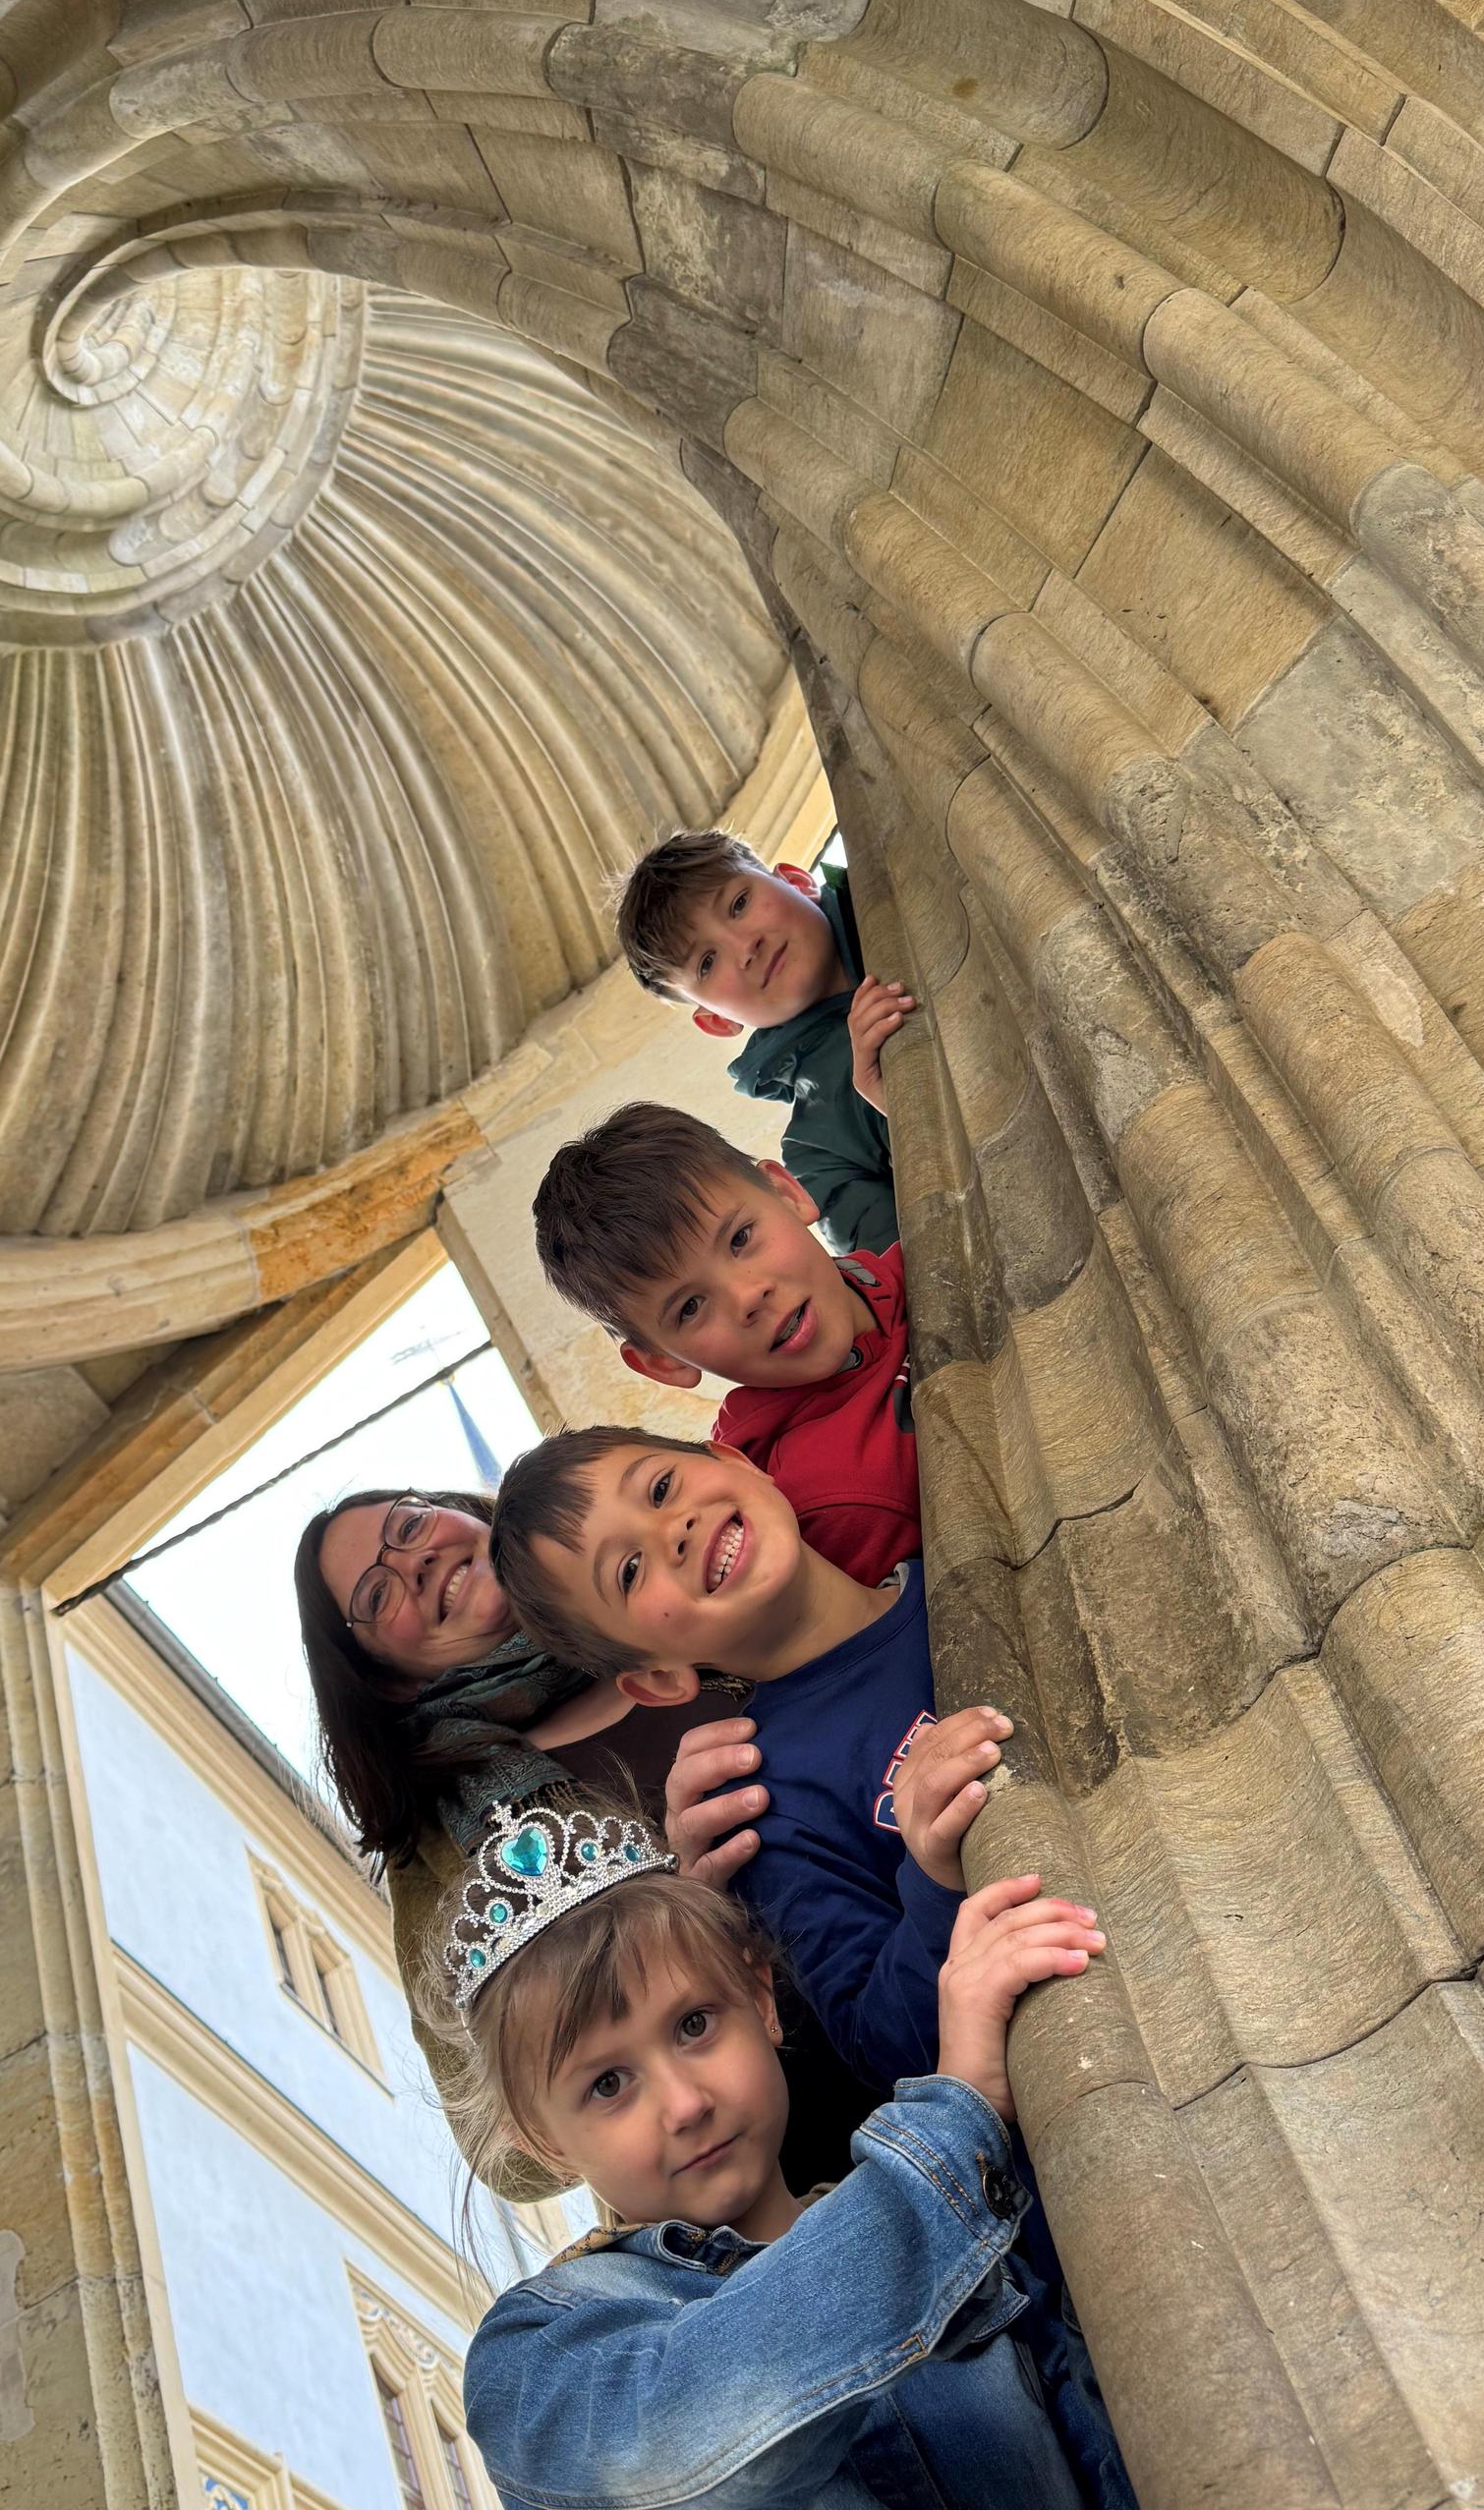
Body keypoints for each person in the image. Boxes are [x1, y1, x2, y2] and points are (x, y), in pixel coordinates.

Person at [443, 1797, 1135, 2510]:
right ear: (543, 2140)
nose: (685, 2105)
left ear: (761, 1999)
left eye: (693, 2025)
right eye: (608, 2084)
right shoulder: (532, 2359)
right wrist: (958, 2121)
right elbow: (674, 2447)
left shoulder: (978, 2240)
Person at [293, 1488, 872, 2188]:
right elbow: (510, 2163)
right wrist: (684, 1924)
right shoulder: (439, 1847)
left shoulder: (662, 1587)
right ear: (382, 1680)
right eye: (379, 1595)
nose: (414, 1563)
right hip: (799, 2172)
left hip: (942, 1935)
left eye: (411, 1524)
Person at [489, 1428, 1002, 2093]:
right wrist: (935, 1879)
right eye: (629, 1571)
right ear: (659, 1679)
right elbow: (883, 2048)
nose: (672, 1532)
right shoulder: (763, 1812)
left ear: (740, 1464)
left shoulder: (972, 1552)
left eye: (661, 1488)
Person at [533, 1102, 919, 1582]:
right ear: (661, 1363)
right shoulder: (827, 1503)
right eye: (691, 1307)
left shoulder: (928, 1250)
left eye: (740, 1239)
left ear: (787, 1193)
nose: (747, 1296)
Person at [612, 828, 917, 1255]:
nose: (745, 947)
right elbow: (923, 1271)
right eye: (707, 962)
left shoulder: (903, 875)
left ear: (797, 881)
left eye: (739, 904)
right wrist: (902, 1110)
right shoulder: (818, 1155)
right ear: (717, 1022)